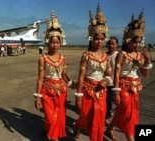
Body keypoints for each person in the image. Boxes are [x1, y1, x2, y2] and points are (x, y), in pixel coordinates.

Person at [105, 10, 153, 141]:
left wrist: (147, 61)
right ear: (128, 40)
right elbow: (117, 73)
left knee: (124, 112)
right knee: (128, 113)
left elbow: (144, 74)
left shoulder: (139, 55)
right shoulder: (122, 54)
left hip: (135, 87)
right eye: (134, 42)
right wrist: (115, 92)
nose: (136, 44)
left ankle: (109, 129)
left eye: (139, 42)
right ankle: (131, 138)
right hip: (123, 86)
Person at [72, 5, 112, 141]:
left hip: (101, 91)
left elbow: (109, 74)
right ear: (91, 39)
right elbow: (81, 76)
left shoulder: (106, 57)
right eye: (97, 39)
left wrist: (106, 81)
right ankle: (77, 126)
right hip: (87, 90)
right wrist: (78, 96)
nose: (99, 41)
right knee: (85, 116)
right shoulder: (86, 55)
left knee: (98, 120)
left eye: (101, 39)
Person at [34, 11, 76, 141]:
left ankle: (49, 132)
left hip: (61, 93)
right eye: (53, 42)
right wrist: (38, 97)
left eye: (58, 42)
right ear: (47, 42)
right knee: (52, 119)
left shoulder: (63, 58)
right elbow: (40, 78)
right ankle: (49, 130)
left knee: (58, 119)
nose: (55, 45)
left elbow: (64, 75)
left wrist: (71, 83)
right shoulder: (43, 58)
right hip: (47, 92)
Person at [105, 36, 119, 125]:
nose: (111, 46)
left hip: (116, 82)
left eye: (113, 44)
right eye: (109, 44)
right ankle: (107, 117)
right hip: (107, 83)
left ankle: (110, 114)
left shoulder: (119, 55)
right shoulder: (104, 55)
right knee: (108, 101)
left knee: (116, 101)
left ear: (117, 45)